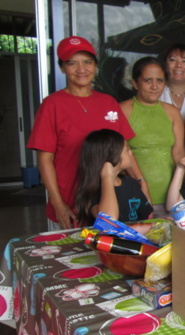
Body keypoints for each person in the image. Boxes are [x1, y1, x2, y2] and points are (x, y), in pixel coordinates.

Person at [27, 36, 145, 230]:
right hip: (71, 201)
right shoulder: (52, 105)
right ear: (62, 68)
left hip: (107, 201)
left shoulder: (108, 103)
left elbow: (124, 148)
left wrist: (141, 181)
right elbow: (44, 160)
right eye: (72, 63)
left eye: (87, 62)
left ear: (95, 65)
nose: (81, 69)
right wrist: (58, 203)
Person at [120, 56, 185, 216]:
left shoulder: (172, 112)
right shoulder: (123, 110)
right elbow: (120, 154)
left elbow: (179, 153)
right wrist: (141, 183)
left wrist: (178, 191)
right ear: (135, 83)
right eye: (147, 80)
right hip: (135, 196)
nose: (154, 86)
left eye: (160, 80)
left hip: (169, 196)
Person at [75, 129, 153, 226]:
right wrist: (107, 176)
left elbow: (147, 218)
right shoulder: (94, 190)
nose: (131, 153)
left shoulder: (131, 183)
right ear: (112, 156)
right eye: (127, 149)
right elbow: (109, 221)